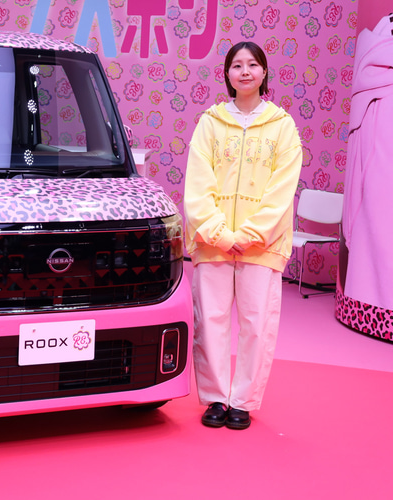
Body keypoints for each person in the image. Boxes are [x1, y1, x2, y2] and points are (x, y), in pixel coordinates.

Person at [183, 41, 302, 430]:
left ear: (264, 72)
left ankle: (244, 401)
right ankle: (216, 398)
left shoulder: (283, 126)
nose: (245, 71)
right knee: (210, 321)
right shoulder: (210, 122)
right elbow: (197, 185)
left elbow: (282, 190)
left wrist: (249, 234)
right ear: (227, 74)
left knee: (256, 324)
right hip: (212, 243)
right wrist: (219, 233)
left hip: (262, 245)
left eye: (253, 64)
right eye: (237, 65)